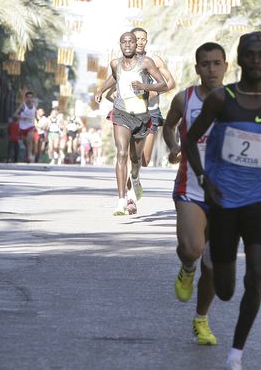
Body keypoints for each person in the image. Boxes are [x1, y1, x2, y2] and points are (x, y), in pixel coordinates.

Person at [181, 32, 261, 370]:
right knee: (225, 290)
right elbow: (190, 141)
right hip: (223, 200)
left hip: (260, 200)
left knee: (256, 272)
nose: (257, 62)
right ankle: (209, 257)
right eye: (250, 55)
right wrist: (204, 179)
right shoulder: (222, 99)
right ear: (240, 59)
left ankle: (236, 353)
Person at [163, 41, 229, 346]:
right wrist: (174, 145)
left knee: (214, 263)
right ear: (197, 68)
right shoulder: (184, 98)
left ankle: (201, 320)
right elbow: (169, 125)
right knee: (192, 249)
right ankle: (187, 267)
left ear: (226, 66)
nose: (211, 69)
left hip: (228, 192)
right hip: (190, 185)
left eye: (217, 63)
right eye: (206, 64)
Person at [95, 31, 169, 216]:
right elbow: (114, 77)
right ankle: (121, 201)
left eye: (131, 42)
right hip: (121, 114)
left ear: (136, 45)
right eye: (124, 42)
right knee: (121, 153)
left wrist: (145, 87)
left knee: (137, 160)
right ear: (120, 45)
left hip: (142, 116)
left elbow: (163, 84)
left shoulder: (146, 63)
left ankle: (134, 178)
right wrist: (101, 90)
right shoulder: (115, 63)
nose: (127, 45)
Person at [132, 27, 176, 167]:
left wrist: (155, 92)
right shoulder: (124, 61)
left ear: (146, 41)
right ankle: (130, 181)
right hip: (130, 111)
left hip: (151, 112)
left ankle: (134, 174)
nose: (140, 42)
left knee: (145, 160)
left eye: (143, 39)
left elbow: (171, 82)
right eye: (136, 39)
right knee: (129, 153)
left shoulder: (155, 60)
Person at [15, 91, 38, 163]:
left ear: (32, 98)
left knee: (29, 141)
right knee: (25, 142)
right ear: (25, 98)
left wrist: (37, 121)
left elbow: (36, 115)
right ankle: (27, 155)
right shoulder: (23, 106)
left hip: (30, 126)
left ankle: (29, 156)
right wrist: (22, 118)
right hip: (22, 127)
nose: (29, 99)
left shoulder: (34, 106)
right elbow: (15, 114)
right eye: (28, 97)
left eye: (31, 97)